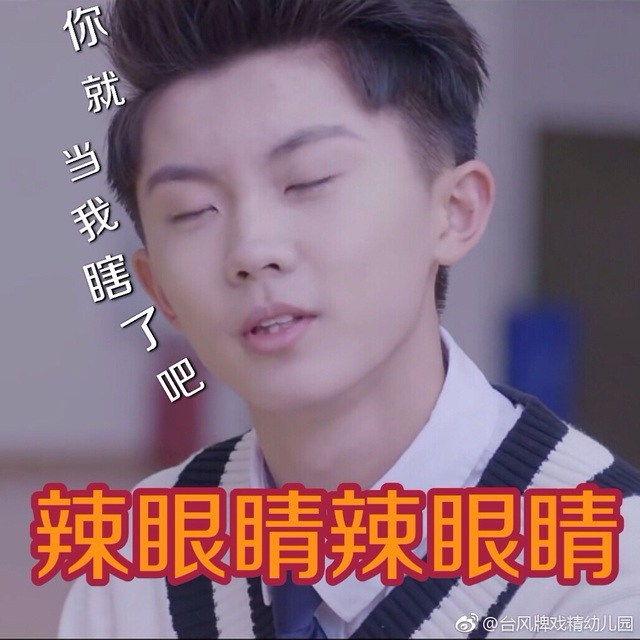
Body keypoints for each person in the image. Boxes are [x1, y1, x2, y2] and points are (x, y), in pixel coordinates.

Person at [59, 0, 640, 637]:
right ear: (159, 289)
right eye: (194, 210)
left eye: (308, 181)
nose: (252, 250)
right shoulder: (133, 566)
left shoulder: (605, 565)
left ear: (455, 211)